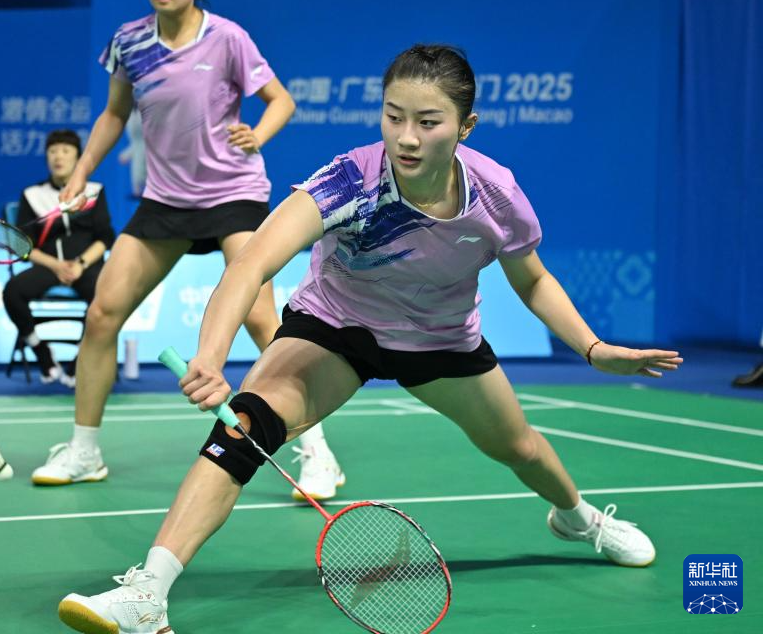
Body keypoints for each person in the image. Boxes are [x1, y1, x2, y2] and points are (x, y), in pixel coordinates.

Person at [55, 45, 684, 634]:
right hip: (339, 327)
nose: (406, 137)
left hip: (440, 338)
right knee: (245, 427)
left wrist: (593, 348)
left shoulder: (496, 194)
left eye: (428, 122)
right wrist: (212, 356)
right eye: (394, 116)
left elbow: (534, 279)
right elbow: (251, 265)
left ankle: (578, 518)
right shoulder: (350, 181)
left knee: (518, 446)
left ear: (465, 127)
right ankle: (148, 593)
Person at [33, 0, 345, 499]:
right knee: (102, 313)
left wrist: (259, 134)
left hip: (232, 193)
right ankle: (84, 450)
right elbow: (113, 114)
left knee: (262, 320)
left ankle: (318, 453)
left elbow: (281, 100)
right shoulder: (129, 41)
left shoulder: (227, 38)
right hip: (166, 199)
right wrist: (81, 172)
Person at [3, 130, 115, 387]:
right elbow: (23, 246)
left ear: (78, 158)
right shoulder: (33, 195)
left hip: (86, 266)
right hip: (49, 266)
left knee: (106, 296)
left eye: (65, 151)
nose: (58, 157)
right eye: (53, 151)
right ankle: (41, 352)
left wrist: (80, 264)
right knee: (12, 292)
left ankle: (81, 358)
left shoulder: (94, 192)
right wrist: (56, 265)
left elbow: (105, 238)